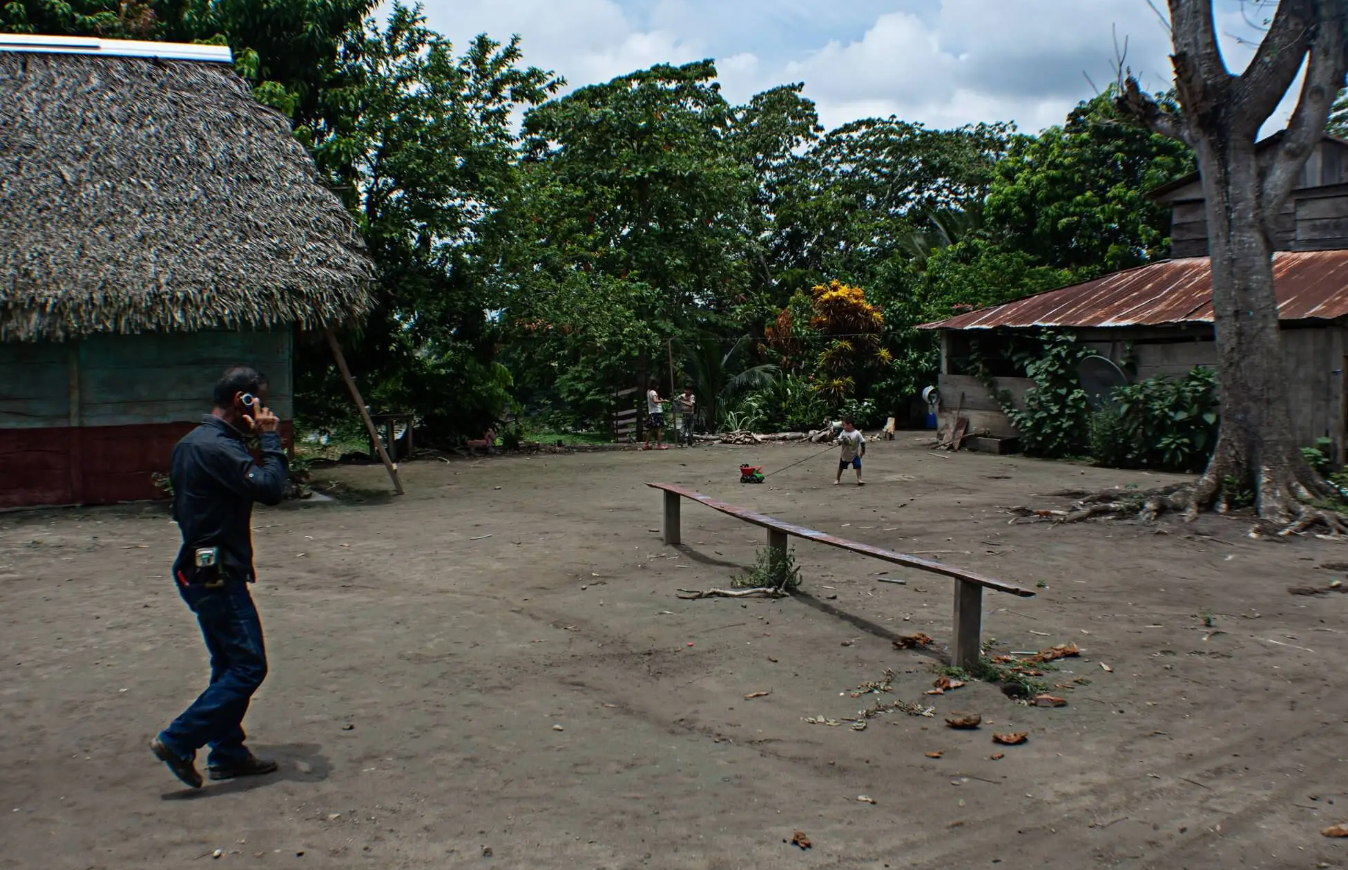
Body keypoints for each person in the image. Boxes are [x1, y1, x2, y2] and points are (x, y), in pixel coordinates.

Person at [150, 366, 289, 789]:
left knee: (227, 662)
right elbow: (271, 489)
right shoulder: (219, 448)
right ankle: (179, 739)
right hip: (217, 574)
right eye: (259, 401)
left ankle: (227, 751)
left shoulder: (190, 444)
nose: (264, 409)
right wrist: (269, 438)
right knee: (249, 666)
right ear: (242, 401)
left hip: (196, 567)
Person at [834, 415, 865, 486]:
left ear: (850, 425)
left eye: (844, 425)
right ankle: (837, 479)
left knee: (858, 466)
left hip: (854, 454)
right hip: (845, 454)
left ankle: (859, 479)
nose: (842, 426)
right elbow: (839, 440)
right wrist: (841, 441)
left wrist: (862, 451)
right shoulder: (843, 432)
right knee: (841, 467)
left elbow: (862, 442)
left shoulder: (857, 433)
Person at [643, 381, 669, 451]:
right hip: (657, 412)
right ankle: (659, 445)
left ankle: (646, 444)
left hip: (652, 412)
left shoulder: (649, 391)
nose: (658, 386)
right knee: (659, 429)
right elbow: (655, 401)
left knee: (651, 429)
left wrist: (659, 400)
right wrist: (663, 401)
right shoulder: (653, 392)